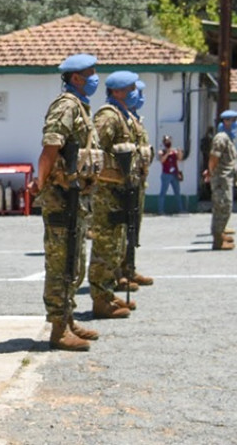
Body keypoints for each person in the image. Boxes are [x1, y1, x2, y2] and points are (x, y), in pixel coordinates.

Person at [28, 53, 102, 351]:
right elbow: (50, 149)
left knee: (75, 260)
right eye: (91, 73)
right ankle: (58, 329)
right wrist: (41, 182)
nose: (95, 79)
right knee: (61, 263)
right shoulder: (66, 107)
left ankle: (68, 319)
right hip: (61, 197)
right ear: (75, 78)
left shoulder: (80, 107)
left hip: (76, 197)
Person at [89, 70, 143, 319]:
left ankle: (108, 293)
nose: (135, 93)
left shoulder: (123, 116)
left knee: (117, 245)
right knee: (105, 247)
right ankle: (100, 300)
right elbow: (93, 153)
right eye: (131, 88)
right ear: (118, 92)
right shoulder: (108, 117)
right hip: (107, 192)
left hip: (122, 191)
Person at [118, 79, 154, 290]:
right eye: (137, 93)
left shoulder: (134, 119)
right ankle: (118, 274)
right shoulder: (117, 117)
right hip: (123, 184)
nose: (139, 98)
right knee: (120, 231)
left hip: (137, 182)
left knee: (133, 229)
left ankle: (129, 269)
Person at [204, 110, 237, 250]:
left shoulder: (227, 137)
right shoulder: (221, 138)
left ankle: (220, 233)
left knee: (225, 205)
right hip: (221, 178)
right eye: (233, 120)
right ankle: (218, 240)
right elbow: (214, 157)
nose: (235, 123)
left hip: (225, 177)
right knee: (223, 206)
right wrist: (212, 172)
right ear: (226, 121)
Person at [158, 135, 185, 213]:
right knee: (163, 192)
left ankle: (181, 209)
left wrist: (179, 152)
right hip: (166, 174)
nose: (168, 142)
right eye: (166, 141)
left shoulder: (174, 152)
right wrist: (167, 153)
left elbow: (180, 158)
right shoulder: (161, 152)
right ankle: (161, 210)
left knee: (177, 193)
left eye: (169, 141)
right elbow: (162, 160)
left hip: (174, 174)